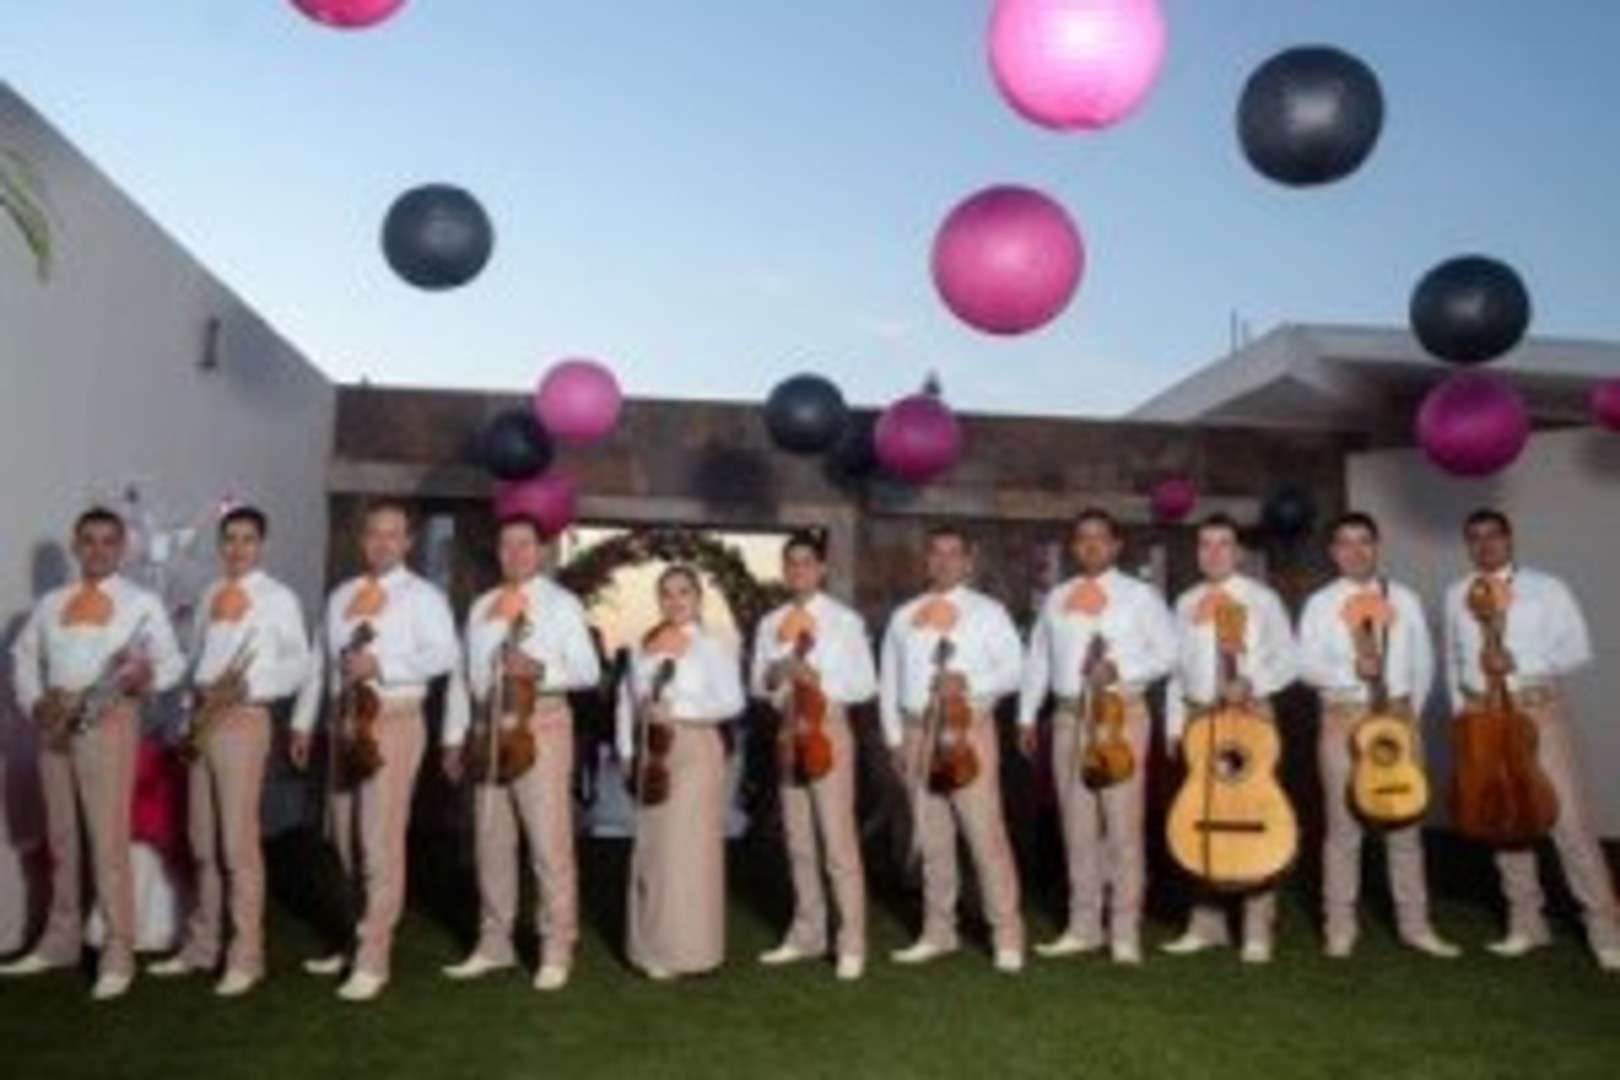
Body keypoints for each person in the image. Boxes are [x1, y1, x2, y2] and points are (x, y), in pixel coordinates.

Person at [2, 506, 184, 1000]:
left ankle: (118, 953)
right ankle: (60, 942)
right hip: (56, 720)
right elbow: (22, 655)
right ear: (75, 546)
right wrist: (34, 702)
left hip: (109, 719)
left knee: (107, 840)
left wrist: (146, 676)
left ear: (122, 548)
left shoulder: (141, 603)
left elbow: (171, 663)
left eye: (108, 541)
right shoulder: (51, 603)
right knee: (62, 838)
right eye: (89, 540)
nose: (98, 550)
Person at [289, 499, 460, 1002]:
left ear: (407, 542)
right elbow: (320, 663)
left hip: (394, 719)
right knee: (344, 836)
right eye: (374, 534)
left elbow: (445, 655)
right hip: (344, 722)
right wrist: (303, 722)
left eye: (393, 534)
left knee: (378, 838)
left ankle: (374, 957)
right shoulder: (342, 595)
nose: (382, 543)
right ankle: (354, 938)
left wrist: (382, 665)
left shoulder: (424, 597)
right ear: (362, 540)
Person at [1443, 509, 1619, 971]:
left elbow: (1577, 651)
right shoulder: (1456, 593)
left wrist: (1518, 663)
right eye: (1475, 537)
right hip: (1481, 714)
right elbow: (1453, 661)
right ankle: (1527, 924)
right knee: (1504, 818)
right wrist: (1462, 718)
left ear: (1510, 539)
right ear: (1467, 544)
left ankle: (1606, 932)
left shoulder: (1547, 589)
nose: (1485, 545)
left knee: (1569, 821)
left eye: (1493, 535)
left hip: (1535, 709)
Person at [147, 505, 310, 997]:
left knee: (238, 844)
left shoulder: (279, 598)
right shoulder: (210, 593)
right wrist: (186, 718)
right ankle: (203, 946)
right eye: (230, 539)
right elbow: (196, 661)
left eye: (247, 539)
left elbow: (299, 665)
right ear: (220, 546)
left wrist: (249, 685)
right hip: (204, 720)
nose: (237, 548)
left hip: (244, 719)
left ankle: (246, 956)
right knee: (202, 840)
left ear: (262, 545)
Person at [440, 514, 601, 992]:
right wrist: (454, 735)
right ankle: (495, 944)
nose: (515, 553)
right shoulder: (482, 606)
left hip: (542, 722)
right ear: (498, 552)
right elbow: (462, 675)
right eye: (507, 545)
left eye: (525, 544)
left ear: (541, 551)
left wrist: (538, 669)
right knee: (491, 840)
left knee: (549, 845)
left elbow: (589, 671)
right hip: (488, 727)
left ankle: (557, 948)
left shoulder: (561, 604)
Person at [1298, 512, 1458, 959]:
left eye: (1364, 541)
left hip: (1397, 720)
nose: (1355, 551)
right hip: (1343, 718)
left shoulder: (1403, 598)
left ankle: (1416, 926)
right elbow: (1304, 666)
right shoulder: (1319, 604)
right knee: (1343, 828)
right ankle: (1339, 928)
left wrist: (1407, 716)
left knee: (1404, 825)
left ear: (1377, 546)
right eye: (1345, 543)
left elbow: (1423, 663)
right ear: (1333, 552)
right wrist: (1350, 669)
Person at [1018, 508, 1173, 966]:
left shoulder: (1140, 596)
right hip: (1069, 717)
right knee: (1077, 825)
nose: (1090, 545)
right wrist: (1027, 715)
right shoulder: (1058, 597)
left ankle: (1124, 931)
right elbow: (1039, 658)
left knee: (1122, 826)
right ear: (1073, 547)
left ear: (1116, 545)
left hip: (1121, 714)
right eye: (1082, 537)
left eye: (1100, 537)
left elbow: (1168, 653)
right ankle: (1083, 926)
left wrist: (1121, 669)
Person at [882, 525, 1025, 973]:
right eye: (936, 553)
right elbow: (889, 680)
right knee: (931, 838)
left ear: (968, 561)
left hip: (968, 728)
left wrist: (969, 681)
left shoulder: (988, 612)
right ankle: (938, 932)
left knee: (985, 835)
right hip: (917, 730)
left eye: (953, 553)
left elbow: (1015, 670)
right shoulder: (905, 616)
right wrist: (894, 738)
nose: (944, 561)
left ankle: (1007, 935)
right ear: (927, 560)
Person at [1159, 514, 1298, 964]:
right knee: (1201, 813)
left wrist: (1253, 682)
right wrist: (1173, 726)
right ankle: (1207, 925)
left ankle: (1258, 929)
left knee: (1256, 811)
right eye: (1206, 544)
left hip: (1251, 713)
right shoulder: (1184, 602)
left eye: (1224, 544)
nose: (1214, 552)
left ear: (1238, 552)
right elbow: (1175, 671)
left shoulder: (1262, 599)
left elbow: (1290, 660)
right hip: (1201, 717)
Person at [749, 529, 877, 981]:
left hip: (828, 728)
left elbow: (865, 685)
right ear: (784, 571)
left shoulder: (845, 621)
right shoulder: (771, 623)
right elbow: (756, 685)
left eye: (807, 562)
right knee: (798, 840)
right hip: (788, 730)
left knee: (838, 840)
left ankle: (852, 941)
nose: (799, 570)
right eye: (791, 563)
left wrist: (815, 678)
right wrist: (774, 674)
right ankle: (808, 933)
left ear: (822, 569)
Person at [616, 565, 745, 980]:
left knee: (688, 851)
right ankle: (650, 948)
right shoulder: (647, 647)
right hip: (652, 751)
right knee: (653, 848)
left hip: (695, 749)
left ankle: (693, 950)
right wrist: (627, 751)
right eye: (667, 593)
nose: (675, 601)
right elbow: (626, 701)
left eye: (684, 592)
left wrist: (680, 710)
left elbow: (732, 702)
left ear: (698, 598)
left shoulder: (713, 647)